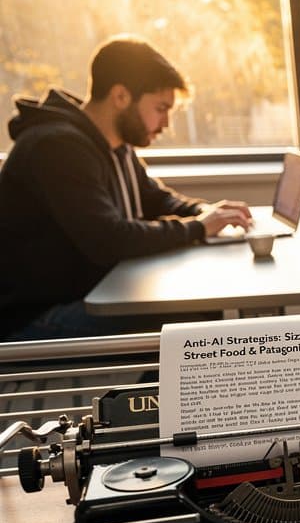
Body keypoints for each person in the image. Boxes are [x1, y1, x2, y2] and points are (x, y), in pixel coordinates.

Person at [0, 35, 253, 341]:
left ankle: (158, 391)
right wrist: (198, 228)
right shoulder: (56, 148)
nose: (166, 123)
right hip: (36, 316)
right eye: (161, 108)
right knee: (193, 331)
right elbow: (110, 239)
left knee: (203, 314)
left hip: (93, 292)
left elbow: (157, 199)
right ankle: (153, 392)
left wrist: (206, 212)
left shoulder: (114, 145)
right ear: (120, 96)